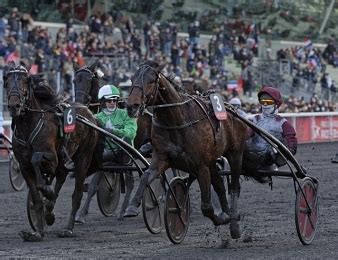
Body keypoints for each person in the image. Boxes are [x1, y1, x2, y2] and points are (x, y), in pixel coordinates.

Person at [75, 84, 137, 223]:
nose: (112, 103)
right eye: (109, 101)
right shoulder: (96, 117)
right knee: (98, 165)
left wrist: (114, 131)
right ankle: (83, 210)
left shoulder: (126, 114)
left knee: (100, 164)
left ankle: (126, 207)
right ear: (103, 102)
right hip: (105, 152)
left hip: (124, 152)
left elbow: (131, 133)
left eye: (114, 100)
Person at [243, 86, 297, 183]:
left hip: (271, 160)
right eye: (263, 102)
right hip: (252, 157)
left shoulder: (284, 124)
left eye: (269, 102)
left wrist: (278, 161)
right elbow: (245, 136)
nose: (265, 104)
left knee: (286, 146)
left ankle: (271, 166)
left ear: (276, 104)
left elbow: (292, 147)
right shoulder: (254, 120)